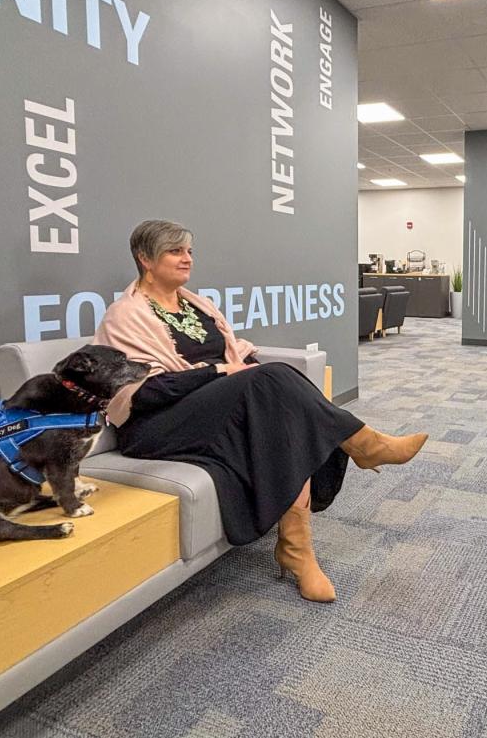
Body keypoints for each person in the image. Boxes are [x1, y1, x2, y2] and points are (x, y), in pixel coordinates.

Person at [94, 220, 428, 603]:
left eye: (189, 251)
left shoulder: (196, 305)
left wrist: (241, 365)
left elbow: (232, 349)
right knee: (270, 383)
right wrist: (220, 371)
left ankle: (297, 547)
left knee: (278, 398)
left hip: (208, 407)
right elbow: (142, 393)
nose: (187, 259)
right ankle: (363, 445)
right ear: (144, 258)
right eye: (175, 251)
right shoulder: (125, 315)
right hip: (157, 423)